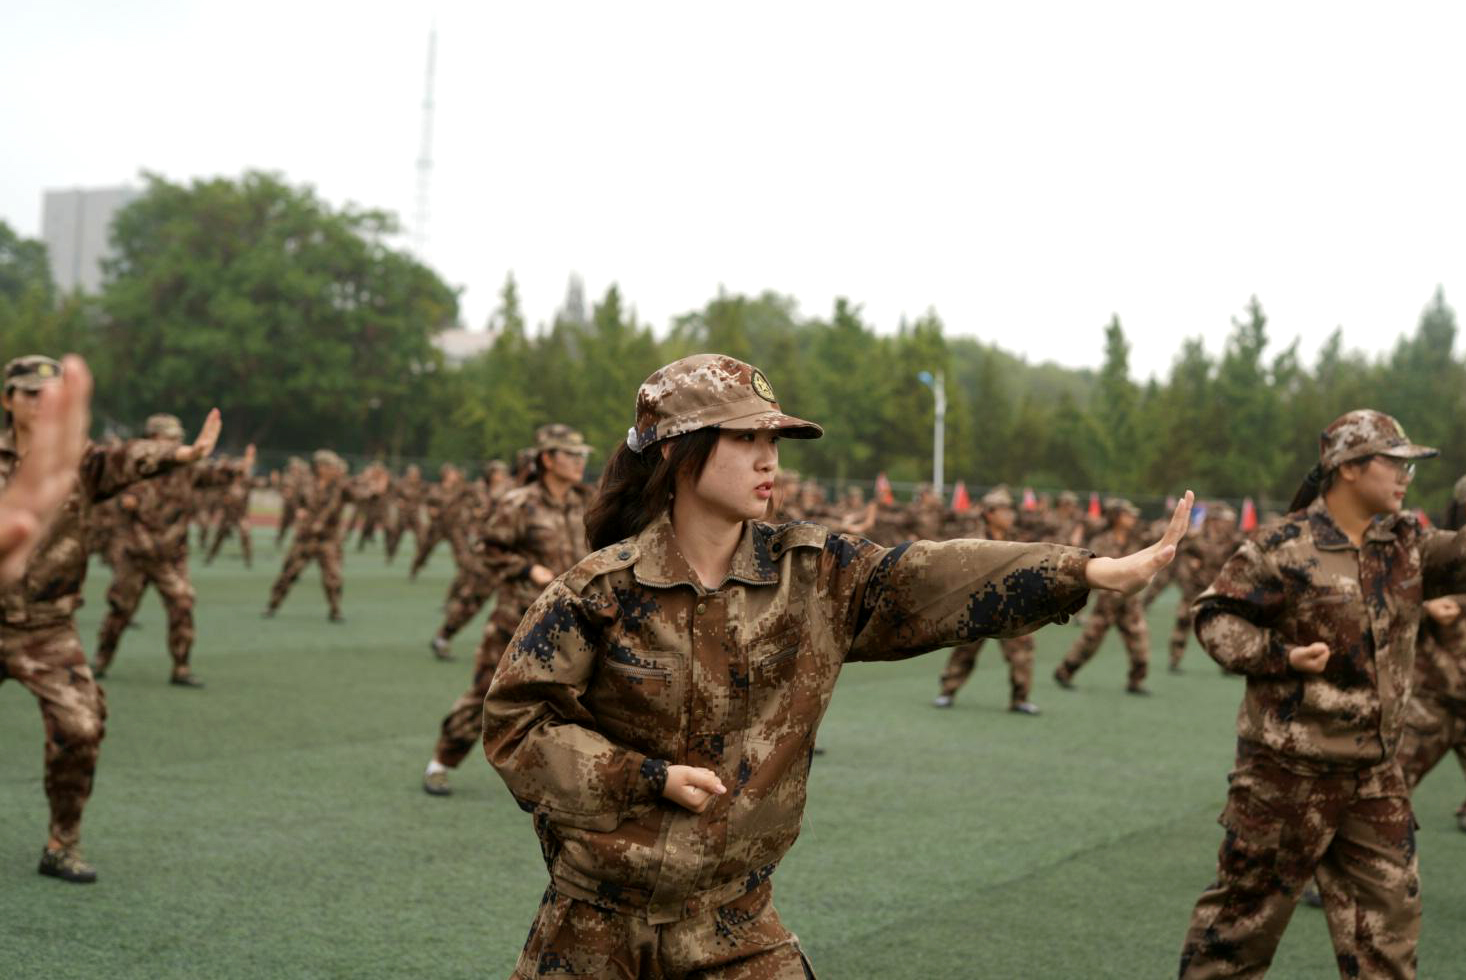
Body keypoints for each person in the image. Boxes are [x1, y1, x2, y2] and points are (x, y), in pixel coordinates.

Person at [481, 354, 1191, 978]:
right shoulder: (598, 592)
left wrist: (1081, 570)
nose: (769, 459)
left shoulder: (812, 575)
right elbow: (517, 725)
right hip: (593, 928)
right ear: (677, 451)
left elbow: (923, 575)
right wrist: (646, 777)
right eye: (745, 438)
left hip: (733, 924)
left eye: (773, 440)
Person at [1176, 410, 1466, 979]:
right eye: (1395, 462)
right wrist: (1280, 657)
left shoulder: (1405, 543)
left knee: (1389, 941)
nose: (1406, 476)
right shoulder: (1282, 547)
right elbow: (1215, 618)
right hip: (1285, 777)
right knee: (1237, 936)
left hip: (1375, 778)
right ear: (1349, 467)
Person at [1, 355, 220, 884]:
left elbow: (128, 457)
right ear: (8, 399)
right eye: (29, 393)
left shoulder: (79, 460)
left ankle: (62, 844)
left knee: (81, 728)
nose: (41, 403)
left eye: (50, 394)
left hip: (46, 628)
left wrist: (182, 454)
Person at [423, 425, 593, 795]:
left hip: (571, 623)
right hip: (517, 621)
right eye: (570, 454)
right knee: (488, 694)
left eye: (582, 455)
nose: (579, 461)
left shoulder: (586, 502)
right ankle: (441, 761)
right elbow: (486, 548)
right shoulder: (520, 503)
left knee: (576, 699)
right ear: (548, 459)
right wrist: (527, 569)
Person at [92, 414, 233, 687]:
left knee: (183, 604)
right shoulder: (133, 469)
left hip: (170, 558)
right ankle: (101, 660)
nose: (176, 442)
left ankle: (181, 668)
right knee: (120, 611)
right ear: (151, 438)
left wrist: (237, 466)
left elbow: (216, 475)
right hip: (136, 557)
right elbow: (119, 511)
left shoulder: (186, 469)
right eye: (170, 437)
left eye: (178, 437)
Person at [933, 486, 1042, 715]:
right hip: (978, 604)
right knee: (965, 650)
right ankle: (947, 691)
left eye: (1010, 510)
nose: (1010, 515)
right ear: (989, 513)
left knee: (1022, 652)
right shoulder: (974, 539)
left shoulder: (1017, 538)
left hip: (1010, 605)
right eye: (1004, 510)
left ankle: (1020, 698)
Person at [263, 450, 386, 621]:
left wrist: (376, 491)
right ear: (320, 467)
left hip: (328, 539)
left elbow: (362, 496)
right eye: (330, 466)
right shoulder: (306, 483)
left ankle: (335, 610)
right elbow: (293, 499)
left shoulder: (341, 486)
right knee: (288, 573)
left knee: (333, 577)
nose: (334, 469)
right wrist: (298, 510)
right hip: (305, 537)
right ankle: (272, 605)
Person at [1053, 498, 1154, 694]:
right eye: (1127, 515)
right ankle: (1065, 672)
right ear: (1116, 517)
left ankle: (1136, 681)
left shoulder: (1137, 538)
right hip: (1107, 602)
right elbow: (1089, 569)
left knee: (1139, 643)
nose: (1132, 518)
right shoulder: (1101, 541)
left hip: (1130, 601)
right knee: (1090, 641)